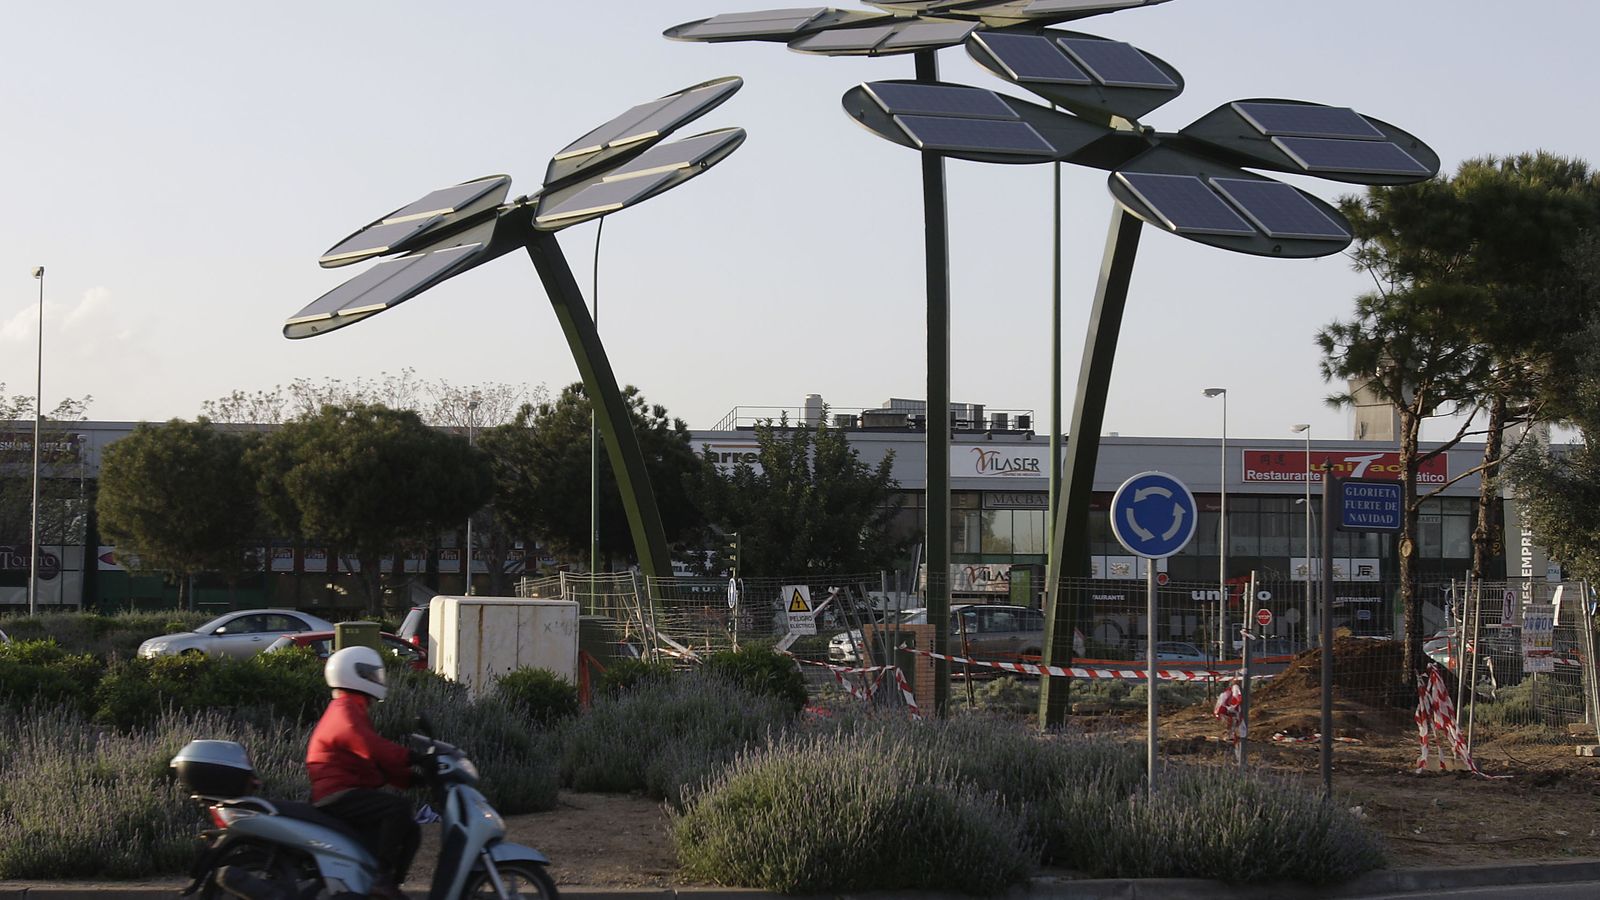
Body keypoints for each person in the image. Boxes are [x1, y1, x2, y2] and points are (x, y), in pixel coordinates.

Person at [307, 645, 421, 900]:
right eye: (369, 674)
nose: (374, 679)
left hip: (343, 789)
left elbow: (369, 764)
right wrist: (413, 758)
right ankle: (380, 880)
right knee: (398, 809)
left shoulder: (350, 707)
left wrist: (410, 779)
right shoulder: (345, 709)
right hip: (335, 793)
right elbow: (370, 746)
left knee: (411, 828)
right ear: (352, 674)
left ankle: (387, 884)